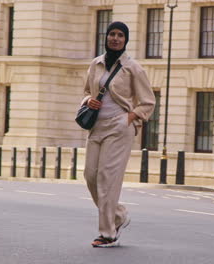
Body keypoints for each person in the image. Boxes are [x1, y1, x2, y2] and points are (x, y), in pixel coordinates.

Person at [81, 21, 155, 248]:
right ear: (106, 37)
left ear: (126, 40)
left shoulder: (133, 67)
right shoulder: (96, 64)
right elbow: (86, 91)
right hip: (96, 127)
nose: (115, 38)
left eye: (120, 35)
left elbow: (148, 102)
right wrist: (88, 101)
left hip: (119, 128)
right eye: (111, 34)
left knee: (107, 179)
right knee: (90, 176)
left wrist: (130, 118)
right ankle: (119, 214)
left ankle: (107, 233)